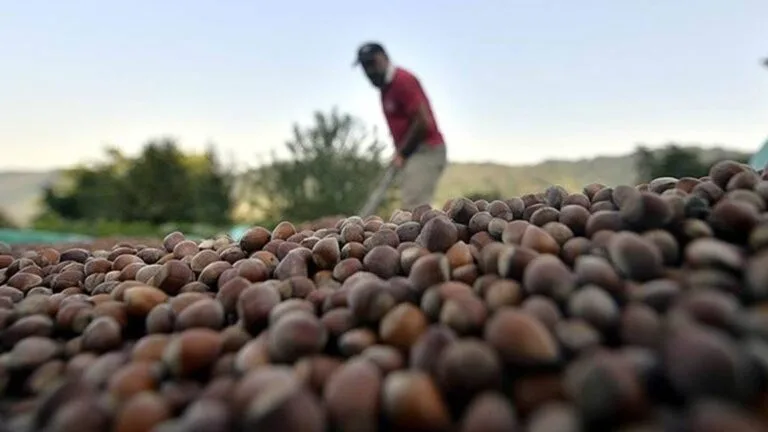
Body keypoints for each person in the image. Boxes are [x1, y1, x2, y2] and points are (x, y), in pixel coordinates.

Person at [353, 42, 448, 212]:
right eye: (365, 66)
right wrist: (400, 153)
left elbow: (422, 122)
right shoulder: (386, 90)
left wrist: (402, 153)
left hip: (426, 150)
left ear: (385, 58)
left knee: (414, 208)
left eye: (372, 63)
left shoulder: (402, 81)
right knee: (409, 205)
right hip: (412, 153)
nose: (369, 71)